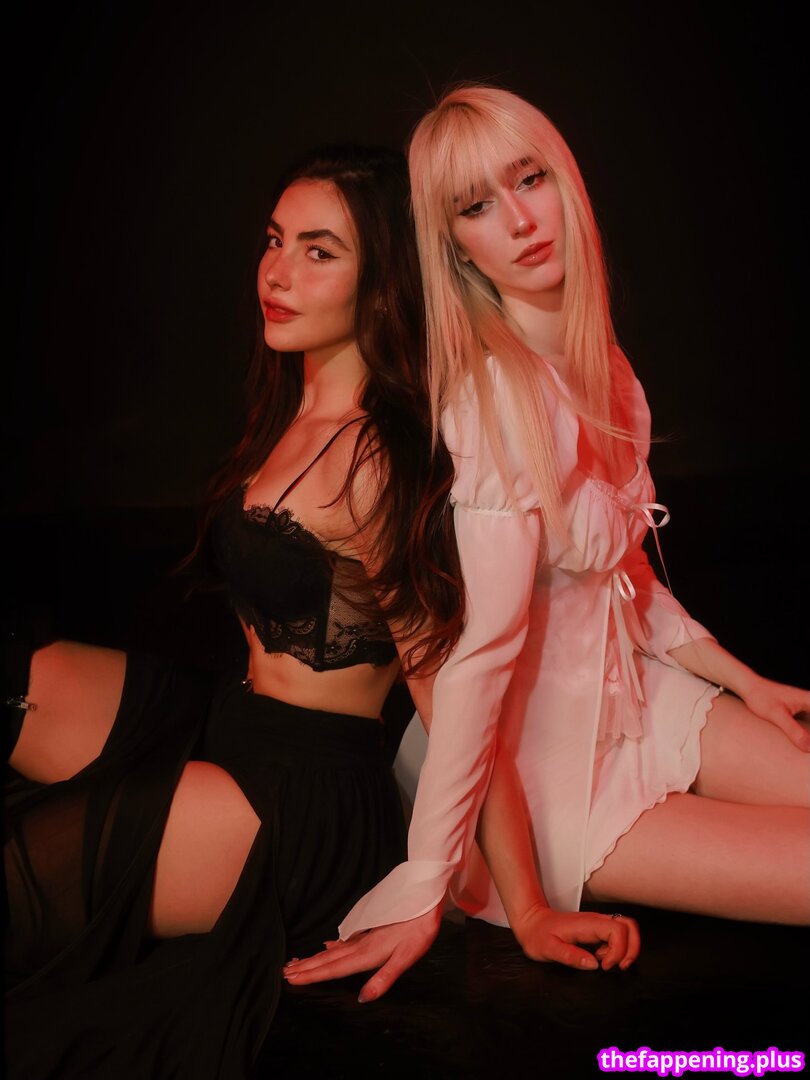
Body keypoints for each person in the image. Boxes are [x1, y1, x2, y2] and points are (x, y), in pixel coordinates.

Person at [283, 84, 810, 1003]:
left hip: (643, 700)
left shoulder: (607, 367)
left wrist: (743, 679)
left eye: (530, 180)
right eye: (476, 207)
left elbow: (620, 570)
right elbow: (477, 660)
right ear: (455, 245)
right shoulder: (494, 399)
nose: (521, 222)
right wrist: (425, 880)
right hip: (547, 781)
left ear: (567, 180)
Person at [3, 144, 465, 1079]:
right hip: (233, 715)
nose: (277, 272)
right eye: (274, 240)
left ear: (383, 282)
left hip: (305, 798)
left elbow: (448, 694)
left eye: (319, 251)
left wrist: (444, 889)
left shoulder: (377, 460)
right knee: (22, 677)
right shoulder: (291, 406)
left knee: (23, 876)